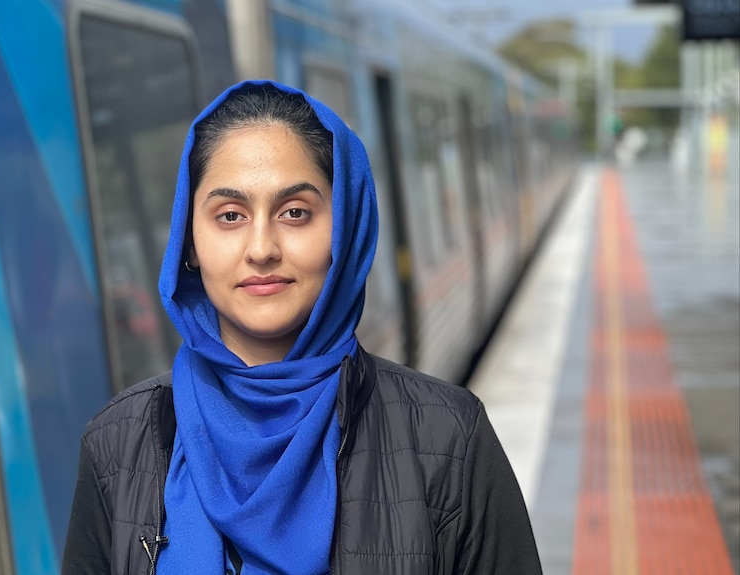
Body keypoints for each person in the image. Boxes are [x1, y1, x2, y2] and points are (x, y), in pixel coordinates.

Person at [62, 80, 542, 575]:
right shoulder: (118, 445)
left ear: (344, 231)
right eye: (229, 216)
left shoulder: (451, 441)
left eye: (295, 213)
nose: (262, 248)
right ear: (189, 242)